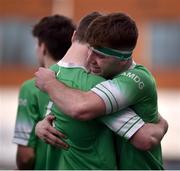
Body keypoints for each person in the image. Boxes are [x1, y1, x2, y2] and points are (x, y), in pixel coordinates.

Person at [35, 12, 168, 169]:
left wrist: (50, 83)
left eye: (100, 56)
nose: (90, 59)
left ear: (123, 59)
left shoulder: (134, 79)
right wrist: (44, 123)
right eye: (90, 50)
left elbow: (80, 107)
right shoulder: (102, 75)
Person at [12, 14, 75, 169]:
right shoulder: (84, 83)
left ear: (43, 47)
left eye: (36, 44)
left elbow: (25, 157)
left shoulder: (31, 88)